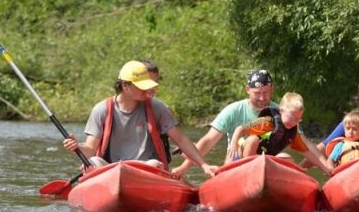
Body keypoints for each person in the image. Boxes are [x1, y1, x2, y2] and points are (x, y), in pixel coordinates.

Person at [63, 60, 217, 177]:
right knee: (92, 163)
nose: (148, 90)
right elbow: (90, 150)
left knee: (155, 164)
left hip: (146, 169)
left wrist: (204, 165)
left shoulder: (158, 108)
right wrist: (77, 146)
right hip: (112, 172)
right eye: (142, 86)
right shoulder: (101, 110)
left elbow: (182, 140)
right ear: (125, 86)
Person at [171, 69, 278, 175]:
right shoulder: (233, 110)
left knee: (287, 158)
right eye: (257, 93)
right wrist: (183, 168)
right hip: (236, 157)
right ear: (248, 90)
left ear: (272, 89)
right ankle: (226, 172)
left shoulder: (279, 112)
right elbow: (209, 140)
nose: (262, 97)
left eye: (266, 92)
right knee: (251, 141)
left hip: (266, 158)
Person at [228, 92, 333, 174]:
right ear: (281, 111)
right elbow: (240, 129)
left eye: (298, 120)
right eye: (292, 118)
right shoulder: (267, 121)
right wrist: (233, 144)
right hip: (243, 155)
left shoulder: (292, 132)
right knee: (253, 140)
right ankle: (247, 171)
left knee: (289, 159)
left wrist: (325, 168)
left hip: (264, 159)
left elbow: (307, 152)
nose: (294, 122)